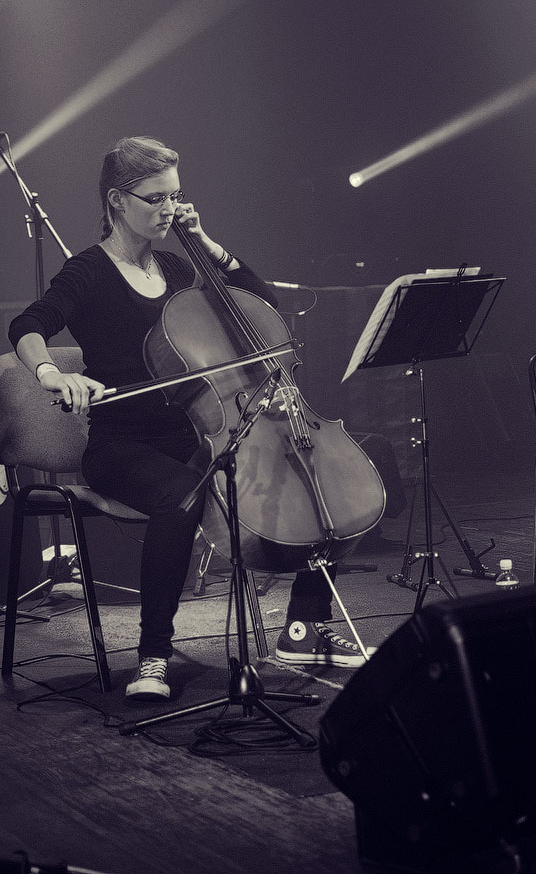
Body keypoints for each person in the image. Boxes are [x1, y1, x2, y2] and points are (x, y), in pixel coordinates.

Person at [8, 136, 372, 701]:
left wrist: (209, 246)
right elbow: (29, 325)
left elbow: (261, 305)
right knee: (181, 495)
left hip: (197, 435)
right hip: (122, 446)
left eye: (175, 196)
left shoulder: (180, 267)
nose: (170, 209)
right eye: (156, 198)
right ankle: (152, 656)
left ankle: (304, 627)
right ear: (117, 200)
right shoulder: (88, 272)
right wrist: (52, 373)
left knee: (300, 475)